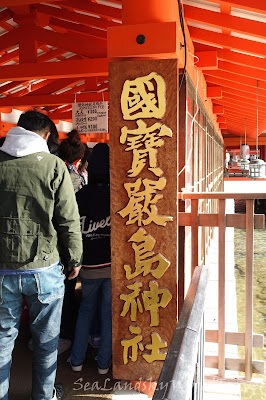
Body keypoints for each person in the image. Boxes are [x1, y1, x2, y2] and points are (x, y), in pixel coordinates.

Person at [0, 110, 83, 400]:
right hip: (44, 269)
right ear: (47, 135)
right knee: (46, 343)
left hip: (1, 270)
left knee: (1, 343)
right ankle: (43, 395)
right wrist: (74, 259)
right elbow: (68, 220)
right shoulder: (54, 166)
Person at [69, 143, 112, 375]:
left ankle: (76, 361)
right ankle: (104, 364)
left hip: (88, 266)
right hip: (111, 265)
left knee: (85, 310)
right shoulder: (116, 196)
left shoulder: (80, 196)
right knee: (107, 314)